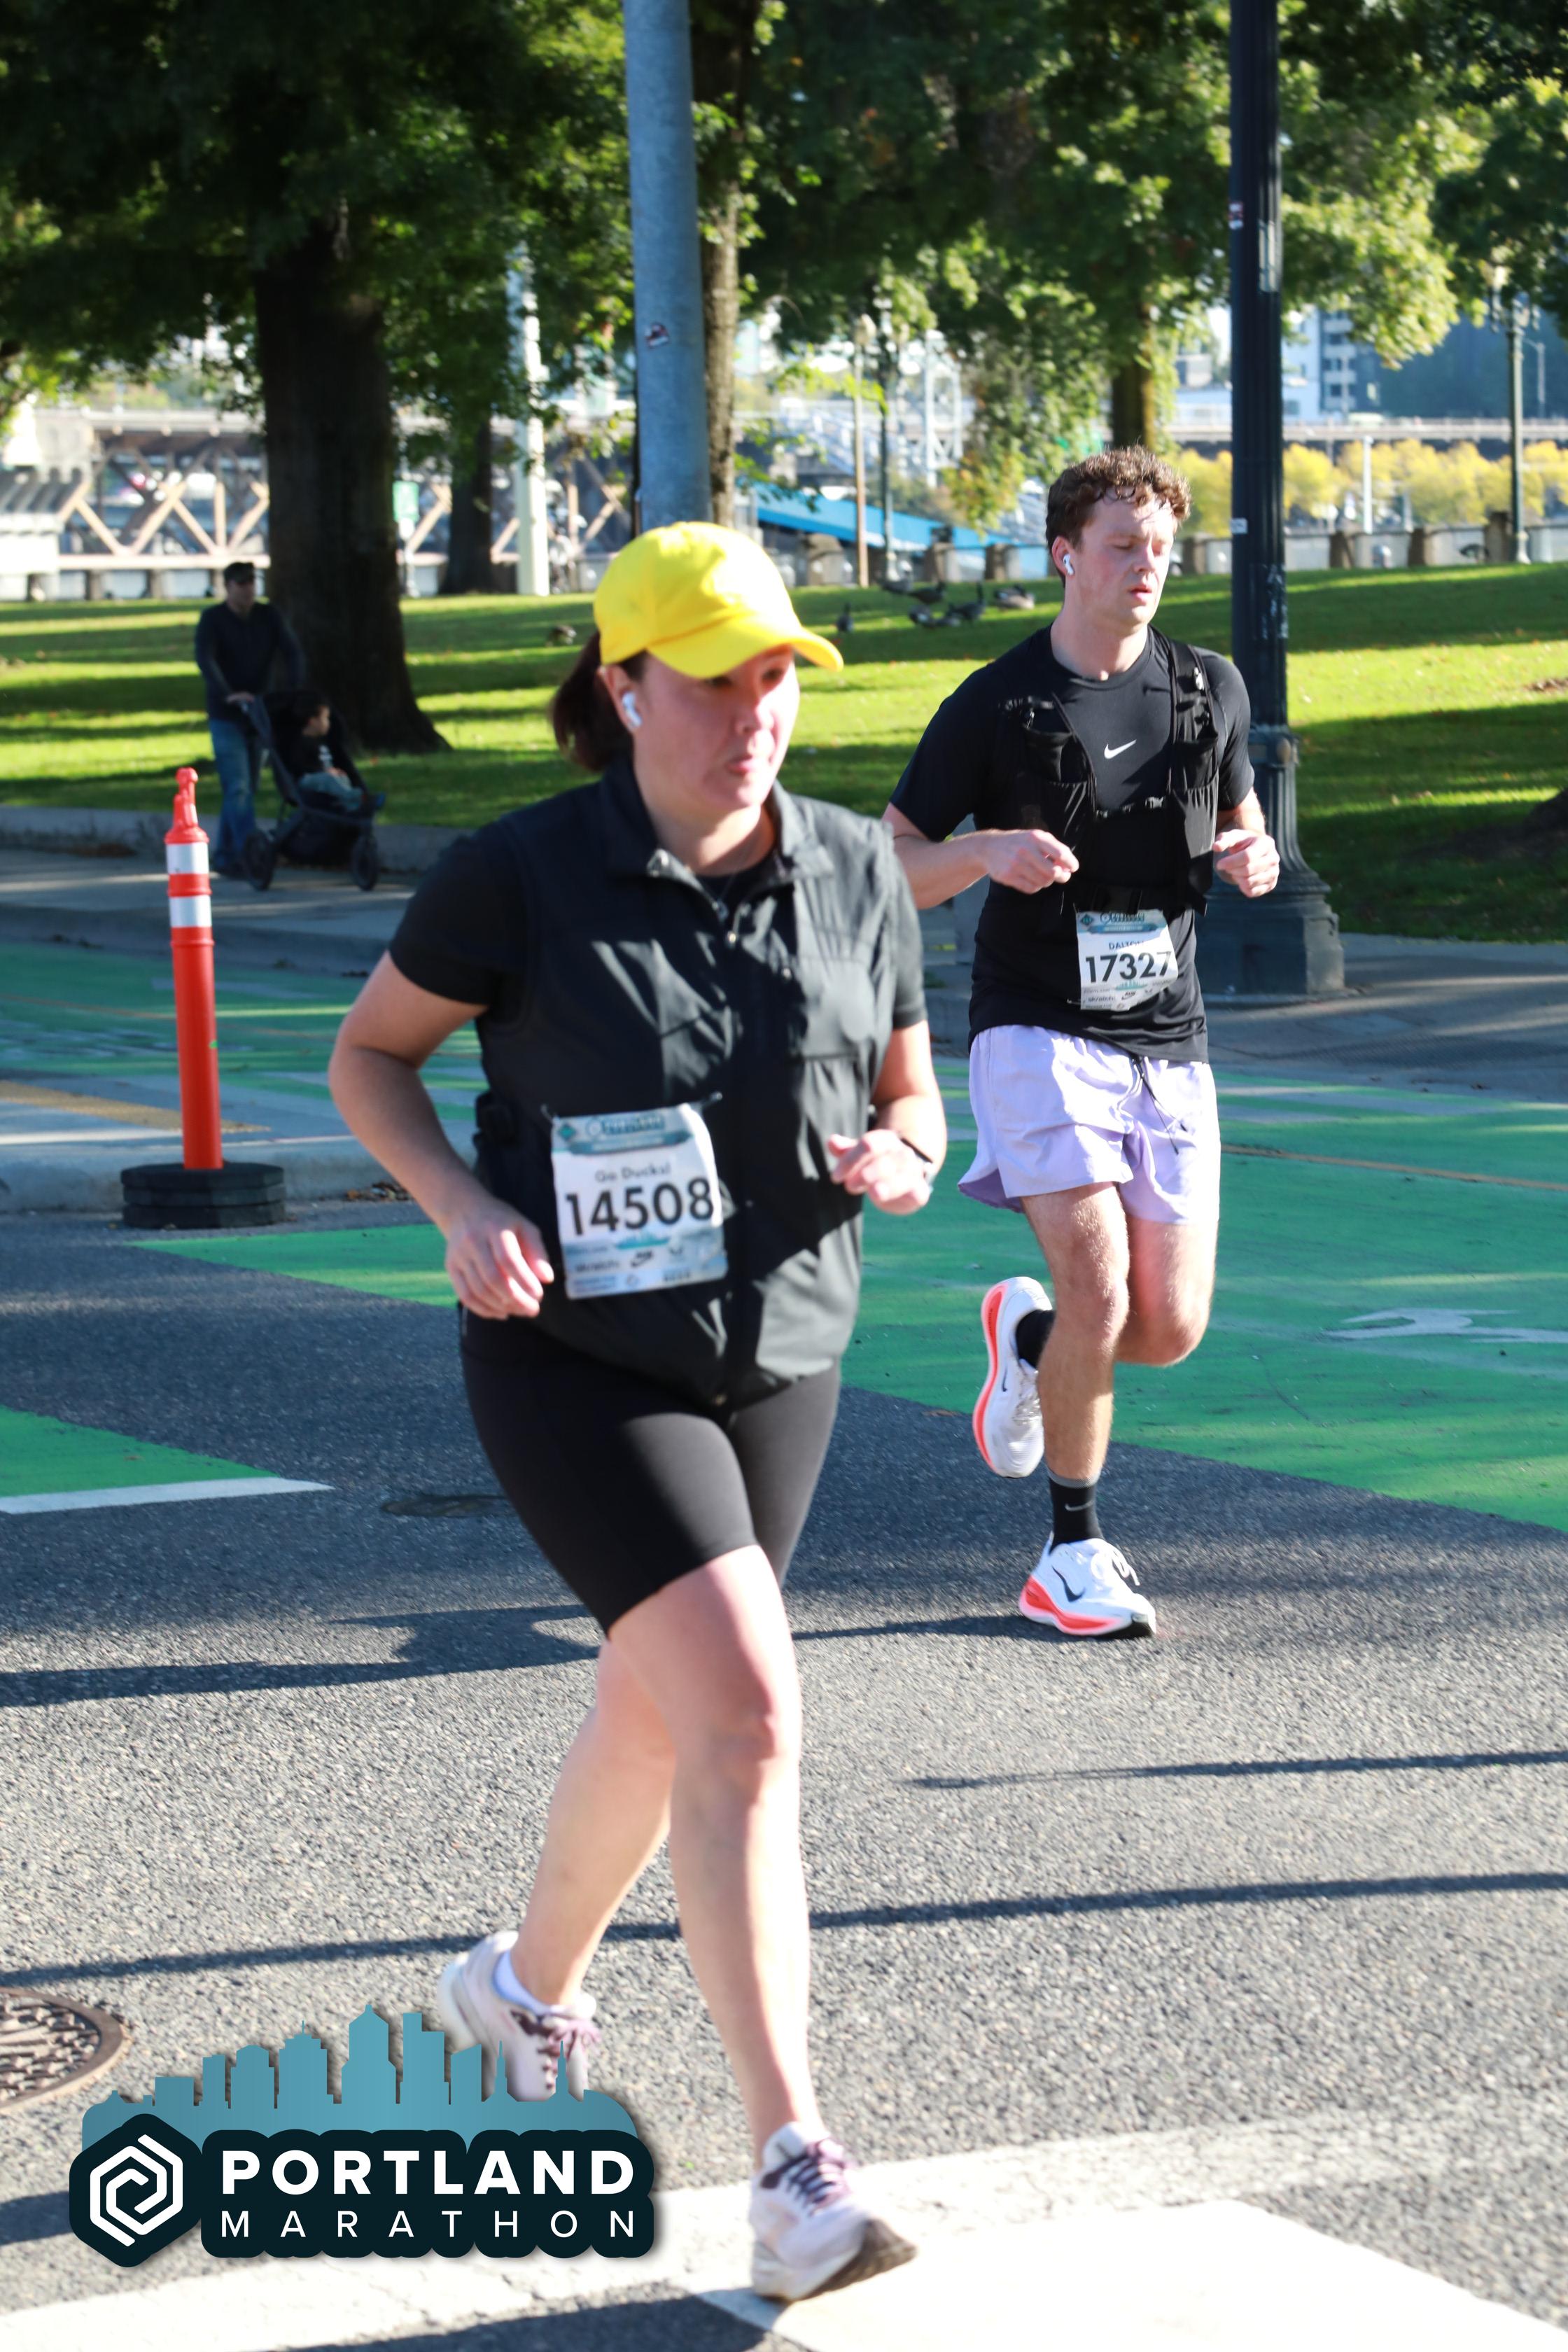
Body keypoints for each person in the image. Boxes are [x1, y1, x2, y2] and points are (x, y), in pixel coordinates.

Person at [328, 522, 943, 2302]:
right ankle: (794, 2164)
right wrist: (461, 1207)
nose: (757, 713)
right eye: (716, 680)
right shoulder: (517, 877)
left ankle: (517, 1994)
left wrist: (906, 1152)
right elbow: (372, 1057)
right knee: (744, 1708)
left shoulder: (856, 867)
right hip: (576, 1359)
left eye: (778, 678)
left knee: (660, 1710)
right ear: (623, 687)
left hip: (785, 1355)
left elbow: (911, 1086)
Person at [884, 447, 1280, 1639]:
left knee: (1167, 1326)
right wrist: (981, 853)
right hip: (1035, 1027)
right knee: (1100, 1288)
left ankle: (1030, 1339)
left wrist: (1255, 856)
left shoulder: (1209, 688)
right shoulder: (997, 703)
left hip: (1169, 1036)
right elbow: (891, 860)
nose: (1145, 567)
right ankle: (1069, 1550)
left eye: (1161, 547)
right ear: (1065, 554)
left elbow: (1245, 823)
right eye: (1121, 546)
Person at [194, 560, 304, 874]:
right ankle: (250, 853)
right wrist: (227, 693)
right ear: (228, 587)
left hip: (259, 712)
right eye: (241, 584)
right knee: (238, 786)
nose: (247, 590)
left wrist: (293, 690)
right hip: (226, 715)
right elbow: (205, 659)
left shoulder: (268, 616)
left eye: (251, 584)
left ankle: (226, 856)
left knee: (246, 788)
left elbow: (292, 651)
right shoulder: (213, 619)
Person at [270, 685, 370, 812]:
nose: (329, 723)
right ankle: (355, 798)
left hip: (324, 778)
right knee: (329, 779)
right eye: (325, 718)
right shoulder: (298, 743)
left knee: (341, 777)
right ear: (313, 721)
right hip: (306, 781)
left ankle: (353, 807)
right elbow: (300, 767)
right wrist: (325, 772)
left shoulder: (322, 742)